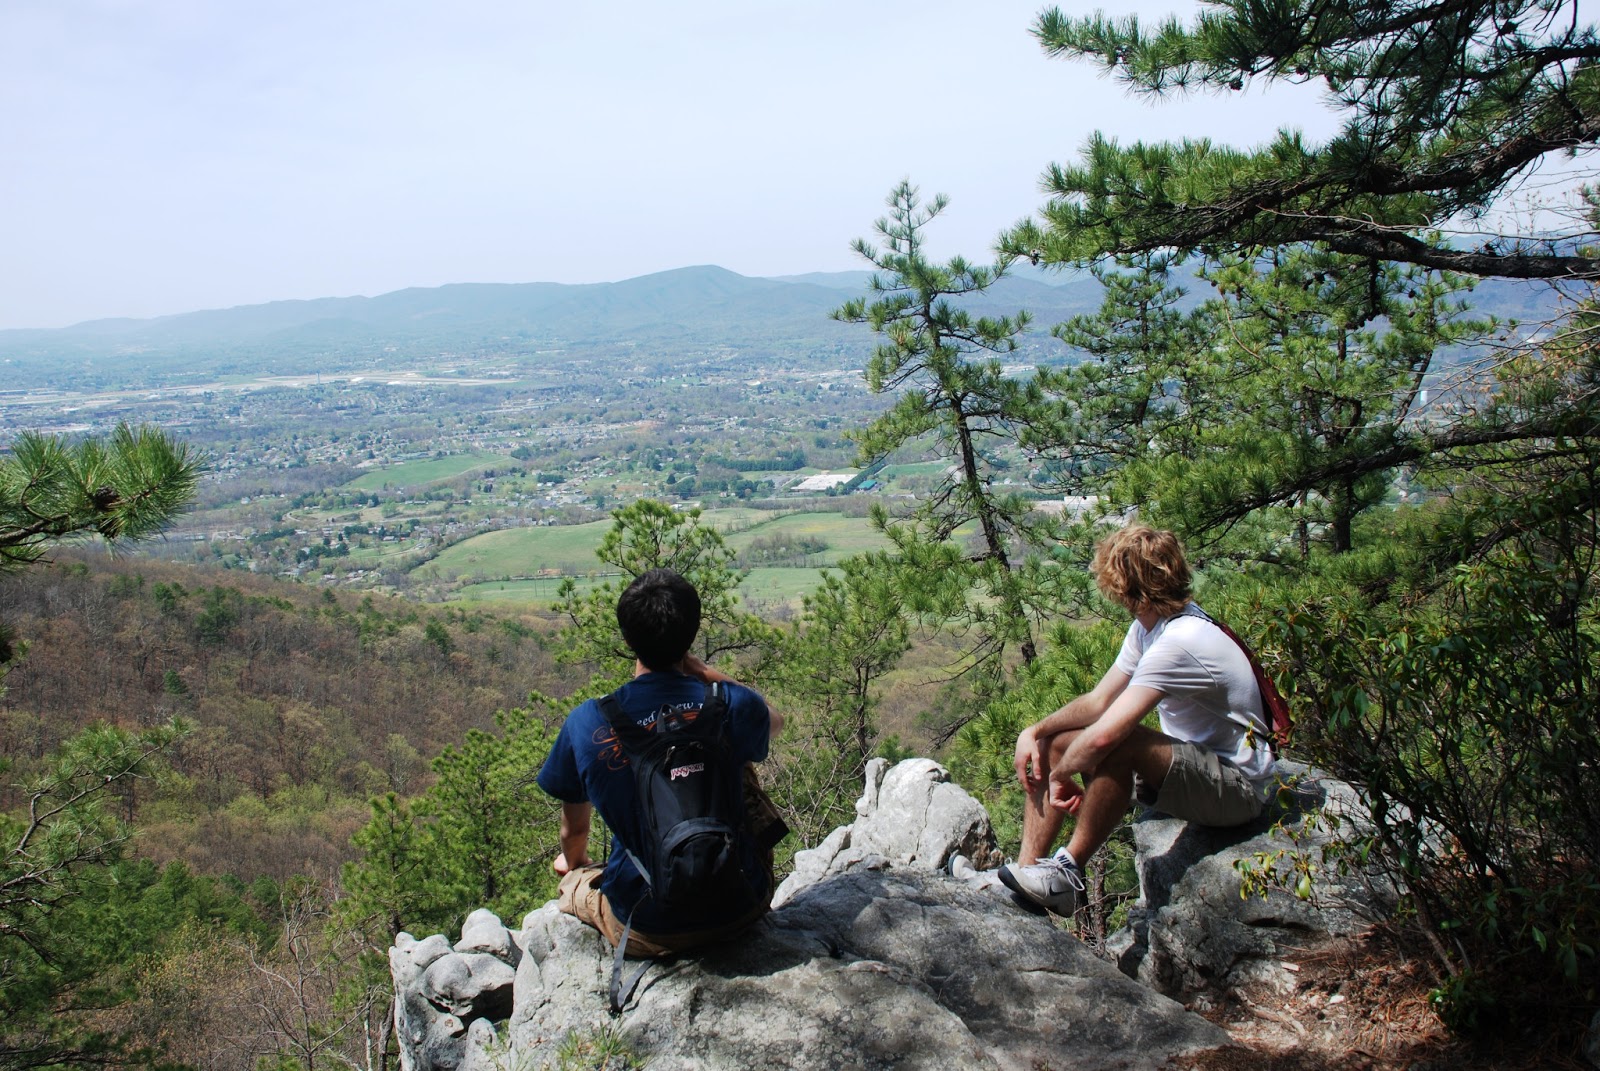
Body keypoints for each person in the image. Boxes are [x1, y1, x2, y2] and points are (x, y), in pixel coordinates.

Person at [997, 524, 1275, 915]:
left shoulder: (1180, 642)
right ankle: (1026, 875)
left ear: (1127, 587)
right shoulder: (1151, 628)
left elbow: (1104, 735)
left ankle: (1066, 874)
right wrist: (1036, 731)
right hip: (1199, 768)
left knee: (1118, 742)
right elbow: (1098, 702)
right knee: (1053, 745)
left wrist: (1061, 776)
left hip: (1239, 789)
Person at [536, 567, 784, 956]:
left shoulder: (588, 722)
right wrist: (705, 673)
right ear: (692, 634)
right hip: (740, 907)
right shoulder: (729, 705)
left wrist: (577, 864)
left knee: (574, 880)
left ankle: (581, 883)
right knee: (738, 750)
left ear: (626, 638)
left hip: (645, 925)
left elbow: (574, 831)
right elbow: (774, 720)